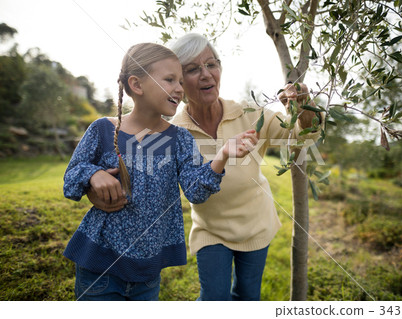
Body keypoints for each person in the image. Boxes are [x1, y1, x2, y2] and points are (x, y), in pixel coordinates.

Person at [88, 34, 323, 301]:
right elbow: (143, 176)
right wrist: (94, 184)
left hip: (256, 225)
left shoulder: (250, 113)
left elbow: (303, 136)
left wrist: (304, 107)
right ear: (178, 82)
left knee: (248, 296)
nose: (206, 74)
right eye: (192, 69)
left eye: (212, 64)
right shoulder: (173, 132)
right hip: (210, 231)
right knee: (214, 298)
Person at [63, 42, 258, 301]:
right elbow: (71, 179)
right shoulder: (102, 129)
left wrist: (221, 156)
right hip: (99, 266)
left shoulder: (180, 139)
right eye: (170, 80)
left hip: (148, 273)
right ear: (137, 85)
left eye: (180, 81)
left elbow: (196, 191)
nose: (179, 88)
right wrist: (92, 175)